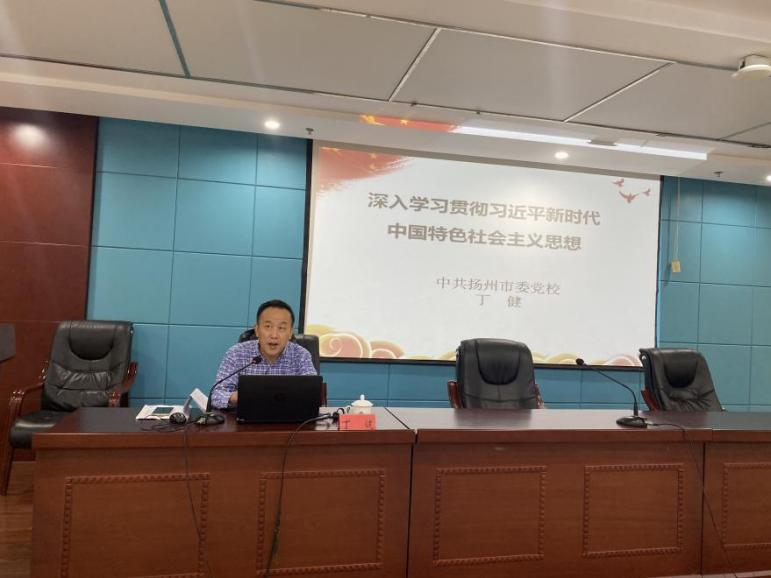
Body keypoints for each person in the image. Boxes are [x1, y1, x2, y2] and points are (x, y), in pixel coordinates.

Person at [209, 300, 316, 409]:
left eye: (281, 328)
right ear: (257, 330)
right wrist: (238, 397)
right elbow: (216, 395)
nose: (274, 335)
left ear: (290, 333)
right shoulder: (237, 353)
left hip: (289, 417)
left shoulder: (301, 355)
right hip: (246, 417)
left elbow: (313, 393)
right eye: (268, 326)